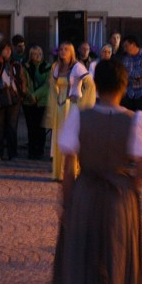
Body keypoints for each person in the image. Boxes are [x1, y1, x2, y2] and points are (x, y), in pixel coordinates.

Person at [50, 59, 142, 284]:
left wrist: (67, 202)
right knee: (114, 263)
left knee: (86, 258)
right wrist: (131, 190)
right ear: (123, 87)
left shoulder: (78, 118)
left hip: (85, 194)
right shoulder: (136, 120)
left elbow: (69, 166)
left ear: (96, 85)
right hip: (119, 198)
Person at [45, 41, 95, 181]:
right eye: (61, 49)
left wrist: (80, 99)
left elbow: (90, 84)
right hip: (59, 107)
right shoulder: (57, 67)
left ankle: (72, 171)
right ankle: (59, 173)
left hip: (72, 107)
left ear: (71, 52)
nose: (62, 51)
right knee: (59, 138)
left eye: (66, 49)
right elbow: (52, 83)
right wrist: (56, 96)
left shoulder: (77, 67)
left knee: (71, 139)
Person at [0, 41, 26, 162]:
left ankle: (12, 153)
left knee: (11, 127)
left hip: (14, 99)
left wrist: (22, 94)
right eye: (5, 49)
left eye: (9, 49)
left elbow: (22, 79)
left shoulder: (16, 64)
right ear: (0, 50)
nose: (8, 51)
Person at [22, 45, 51, 160]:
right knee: (31, 127)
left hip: (42, 101)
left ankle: (39, 151)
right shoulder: (25, 67)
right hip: (28, 102)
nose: (37, 55)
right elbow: (23, 82)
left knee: (41, 128)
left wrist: (35, 95)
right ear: (31, 55)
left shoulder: (48, 67)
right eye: (34, 53)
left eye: (39, 53)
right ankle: (31, 151)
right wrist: (29, 95)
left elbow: (48, 84)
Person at [120, 36, 142, 113]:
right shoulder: (126, 57)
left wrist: (129, 74)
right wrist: (134, 74)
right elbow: (124, 73)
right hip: (129, 94)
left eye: (126, 46)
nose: (125, 49)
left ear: (133, 44)